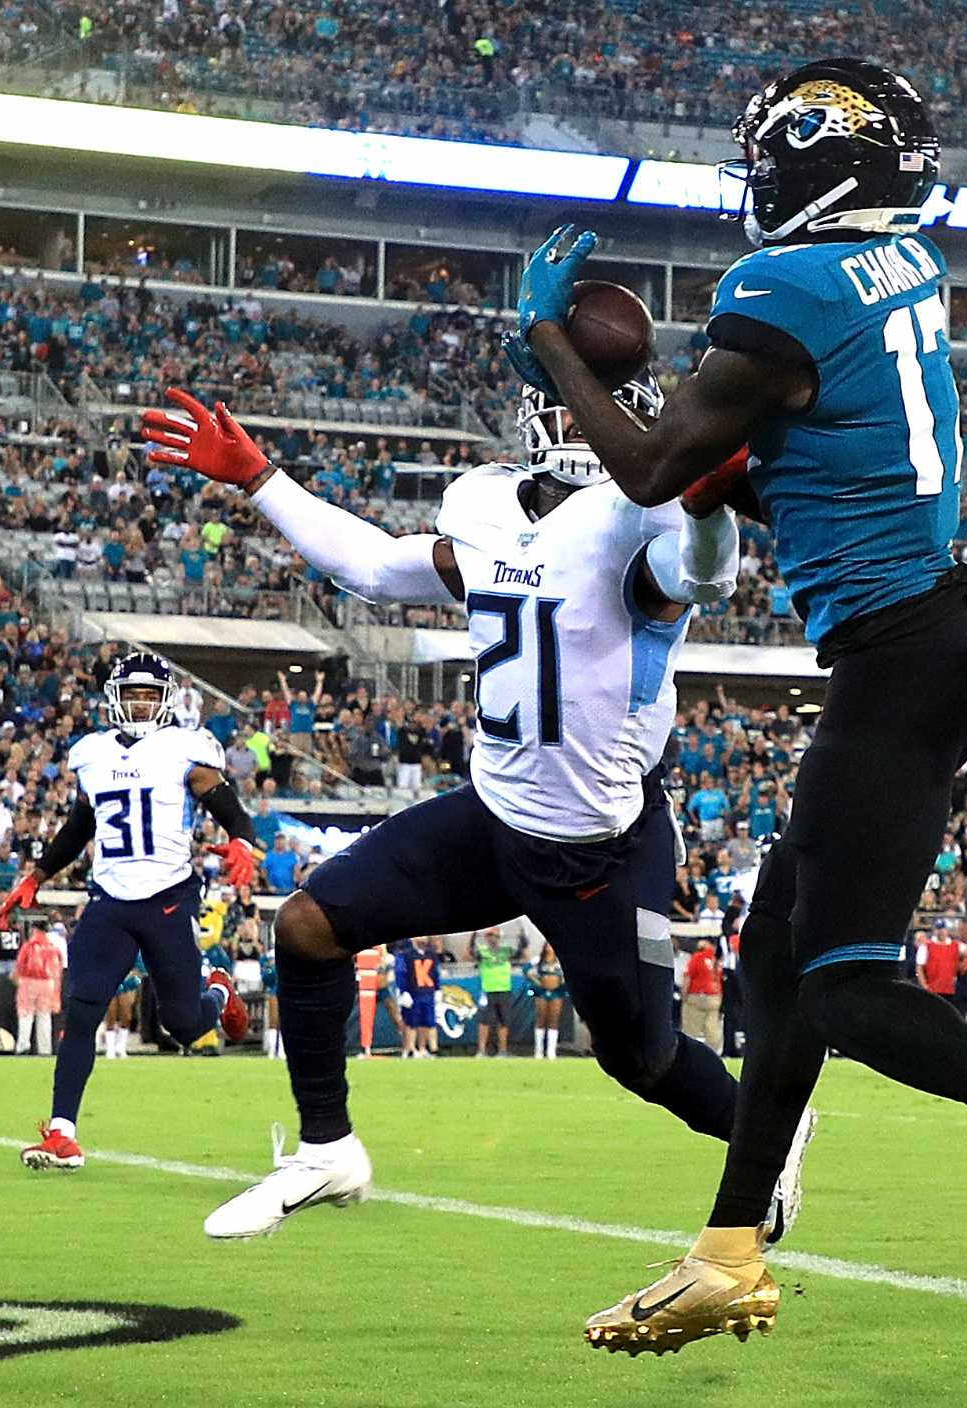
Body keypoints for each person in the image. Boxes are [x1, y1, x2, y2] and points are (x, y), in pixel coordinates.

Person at [512, 60, 967, 1351]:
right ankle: (730, 1251)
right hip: (933, 641)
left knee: (845, 985)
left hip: (901, 657)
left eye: (769, 165)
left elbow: (645, 469)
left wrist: (549, 346)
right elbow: (801, 454)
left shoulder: (779, 290)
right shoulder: (905, 264)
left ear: (810, 169)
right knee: (776, 957)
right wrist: (713, 455)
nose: (756, 188)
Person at [144, 375, 811, 1251]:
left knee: (640, 1059)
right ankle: (326, 1147)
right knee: (307, 925)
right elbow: (378, 568)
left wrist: (708, 503)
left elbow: (702, 578)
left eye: (602, 401)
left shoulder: (638, 513)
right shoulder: (486, 503)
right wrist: (262, 477)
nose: (582, 421)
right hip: (495, 816)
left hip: (597, 845)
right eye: (574, 401)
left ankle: (771, 1134)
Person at [10, 652, 255, 1170]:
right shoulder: (91, 753)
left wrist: (243, 841)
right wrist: (37, 876)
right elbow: (81, 825)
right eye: (133, 693)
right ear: (114, 697)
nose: (141, 704)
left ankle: (218, 990)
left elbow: (223, 800)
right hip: (109, 898)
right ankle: (62, 1132)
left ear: (164, 700)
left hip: (167, 896)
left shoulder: (184, 748)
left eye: (150, 694)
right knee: (81, 1010)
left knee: (185, 1025)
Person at [12, 925, 64, 1058]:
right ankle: (45, 1049)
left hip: (28, 981)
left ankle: (23, 1046)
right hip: (48, 983)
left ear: (34, 930)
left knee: (25, 1014)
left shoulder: (29, 946)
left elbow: (20, 964)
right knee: (45, 1016)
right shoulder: (52, 947)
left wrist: (17, 978)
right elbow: (58, 970)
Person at [472, 928, 517, 1057]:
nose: (492, 938)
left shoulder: (506, 950)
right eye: (489, 935)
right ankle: (481, 1050)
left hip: (504, 988)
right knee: (484, 1021)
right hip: (488, 989)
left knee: (504, 1021)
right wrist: (473, 936)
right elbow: (470, 954)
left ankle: (502, 1050)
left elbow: (522, 954)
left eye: (494, 935)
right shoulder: (482, 950)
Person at [394, 937, 442, 1058]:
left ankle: (427, 1048)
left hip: (428, 991)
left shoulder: (431, 954)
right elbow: (401, 973)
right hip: (414, 992)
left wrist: (437, 989)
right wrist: (404, 991)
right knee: (412, 1022)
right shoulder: (406, 955)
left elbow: (435, 973)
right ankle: (410, 1048)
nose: (423, 940)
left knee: (429, 1022)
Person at [682, 940, 724, 1056]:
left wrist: (684, 996)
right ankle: (713, 1054)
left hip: (698, 997)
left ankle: (690, 1054)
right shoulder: (717, 960)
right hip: (715, 997)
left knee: (690, 1028)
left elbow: (688, 977)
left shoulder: (697, 957)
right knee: (712, 1028)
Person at [528, 942, 568, 1059]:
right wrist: (536, 981)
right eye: (548, 946)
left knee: (554, 1019)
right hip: (541, 992)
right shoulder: (538, 960)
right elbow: (526, 969)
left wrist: (561, 983)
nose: (550, 948)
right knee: (541, 1018)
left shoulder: (560, 960)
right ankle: (539, 1051)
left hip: (556, 992)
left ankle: (551, 1051)